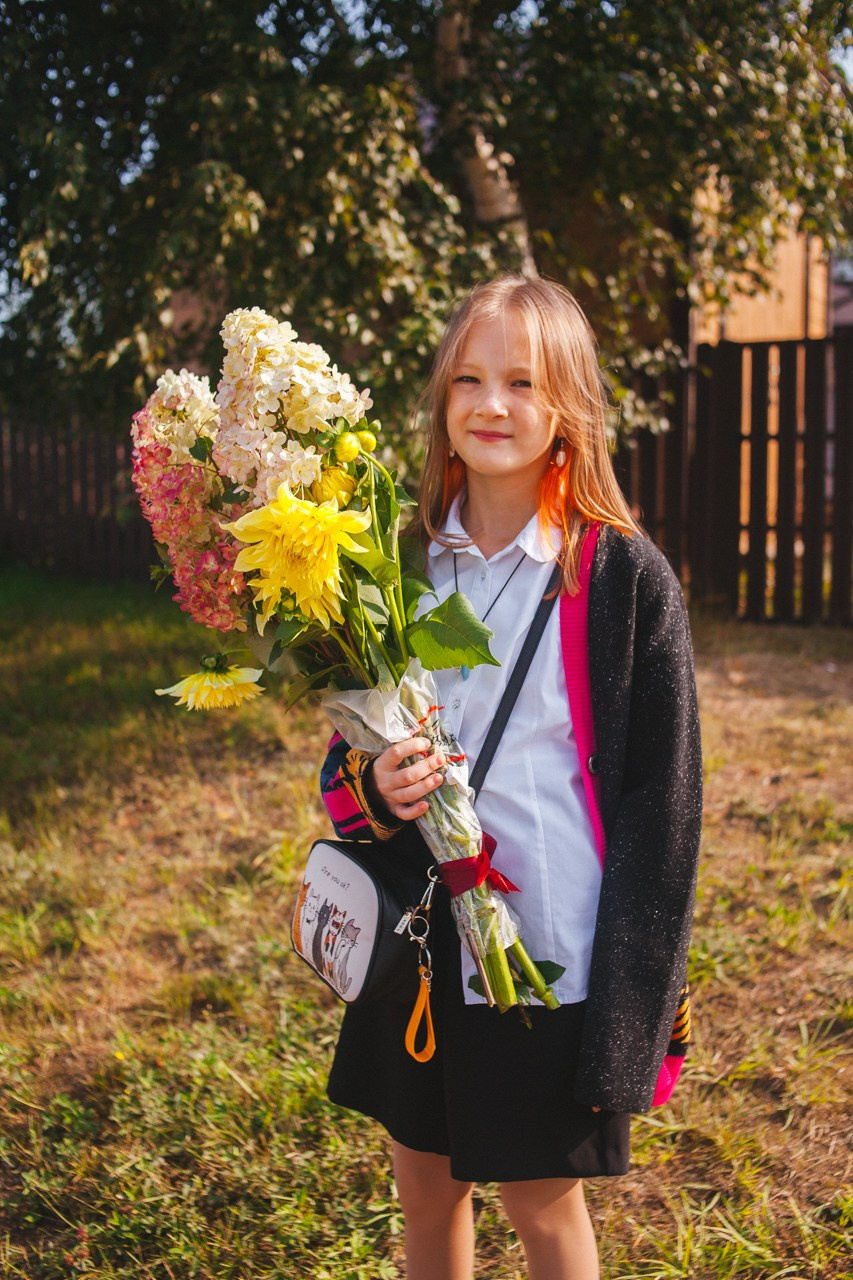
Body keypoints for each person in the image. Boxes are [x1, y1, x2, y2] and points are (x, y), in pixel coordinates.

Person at [318, 276, 702, 1280]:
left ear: (567, 403)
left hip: (549, 952)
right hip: (424, 940)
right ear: (442, 398)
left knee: (541, 1201)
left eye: (523, 381)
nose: (493, 404)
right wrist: (377, 780)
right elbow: (343, 753)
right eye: (471, 379)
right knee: (424, 1185)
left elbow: (664, 811)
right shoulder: (390, 563)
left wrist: (634, 1008)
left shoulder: (621, 579)